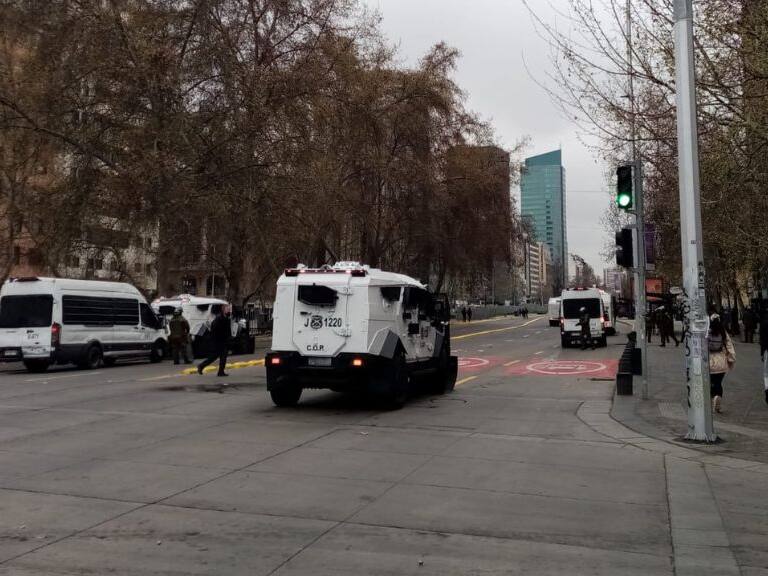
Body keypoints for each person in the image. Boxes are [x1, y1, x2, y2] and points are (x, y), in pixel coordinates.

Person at [709, 313, 736, 414]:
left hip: (710, 360)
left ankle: (713, 398)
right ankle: (718, 397)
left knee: (711, 382)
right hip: (721, 360)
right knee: (718, 383)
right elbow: (729, 345)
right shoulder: (723, 332)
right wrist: (731, 358)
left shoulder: (708, 332)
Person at [197, 305, 232, 377]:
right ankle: (203, 366)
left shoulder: (225, 318)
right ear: (223, 310)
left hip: (223, 341)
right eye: (227, 309)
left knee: (217, 356)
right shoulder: (219, 319)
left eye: (229, 309)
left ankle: (204, 366)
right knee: (219, 356)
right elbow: (215, 330)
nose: (229, 311)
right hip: (219, 341)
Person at [761, 310, 768, 405]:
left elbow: (762, 340)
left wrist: (762, 353)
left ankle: (767, 389)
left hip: (767, 349)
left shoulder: (764, 324)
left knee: (766, 373)